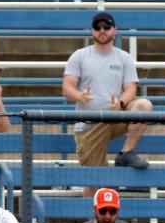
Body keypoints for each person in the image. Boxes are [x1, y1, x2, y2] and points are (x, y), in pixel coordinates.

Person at [63, 12, 153, 171]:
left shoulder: (124, 58)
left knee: (144, 106)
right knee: (94, 181)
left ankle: (126, 152)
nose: (102, 30)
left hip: (116, 116)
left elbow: (131, 89)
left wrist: (121, 102)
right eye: (98, 27)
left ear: (115, 30)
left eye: (107, 26)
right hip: (89, 124)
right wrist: (80, 96)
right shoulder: (79, 56)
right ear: (92, 30)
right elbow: (67, 88)